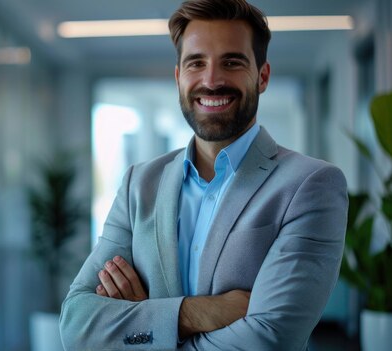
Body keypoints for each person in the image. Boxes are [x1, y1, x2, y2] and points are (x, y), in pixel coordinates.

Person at [59, 0, 348, 350]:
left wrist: (146, 323)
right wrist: (195, 313)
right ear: (179, 76)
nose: (211, 81)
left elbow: (270, 339)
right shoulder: (139, 184)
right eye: (196, 63)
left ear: (263, 76)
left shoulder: (311, 185)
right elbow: (76, 325)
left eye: (232, 62)